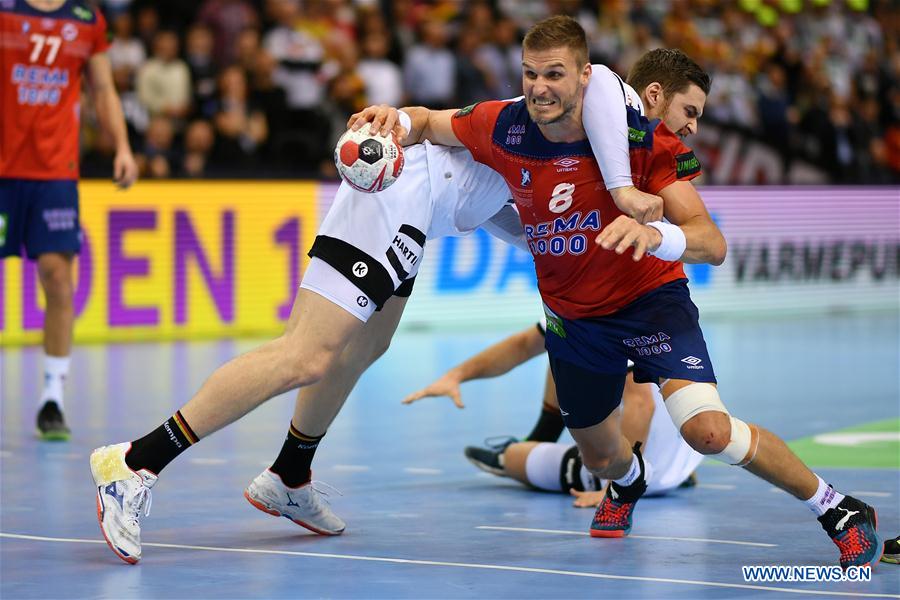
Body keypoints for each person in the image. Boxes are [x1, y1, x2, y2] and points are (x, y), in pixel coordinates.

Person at [351, 17, 883, 569]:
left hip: (652, 302)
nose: (539, 87)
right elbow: (429, 122)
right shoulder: (502, 126)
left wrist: (656, 234)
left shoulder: (644, 143)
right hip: (575, 322)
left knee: (708, 430)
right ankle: (627, 484)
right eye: (531, 74)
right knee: (602, 459)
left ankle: (837, 509)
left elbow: (713, 243)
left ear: (585, 77)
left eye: (554, 74)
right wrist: (395, 119)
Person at [87, 53, 657, 563]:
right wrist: (400, 120)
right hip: (399, 192)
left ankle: (289, 473)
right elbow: (592, 88)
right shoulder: (607, 99)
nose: (690, 131)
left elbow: (520, 217)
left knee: (368, 344)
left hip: (423, 215)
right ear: (652, 97)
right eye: (688, 113)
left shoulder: (573, 149)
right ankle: (135, 462)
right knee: (305, 355)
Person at [1, 0, 138, 440]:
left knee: (58, 278)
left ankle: (52, 398)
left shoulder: (86, 18)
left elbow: (102, 91)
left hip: (55, 172)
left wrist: (122, 147)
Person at [402, 320, 703, 505]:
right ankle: (668, 470)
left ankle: (538, 445)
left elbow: (640, 403)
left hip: (644, 475)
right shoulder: (628, 296)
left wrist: (616, 489)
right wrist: (457, 375)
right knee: (561, 343)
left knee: (516, 458)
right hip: (688, 451)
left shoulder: (595, 308)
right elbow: (523, 345)